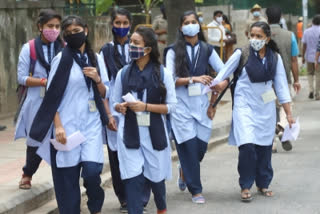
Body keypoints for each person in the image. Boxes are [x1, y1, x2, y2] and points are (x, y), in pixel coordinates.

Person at [29, 15, 109, 214]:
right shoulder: (60, 60)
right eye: (69, 33)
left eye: (77, 31)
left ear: (86, 30)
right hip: (68, 126)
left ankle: (95, 206)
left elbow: (105, 92)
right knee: (67, 180)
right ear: (64, 36)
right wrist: (58, 125)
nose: (74, 35)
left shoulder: (97, 59)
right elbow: (52, 95)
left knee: (92, 172)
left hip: (91, 125)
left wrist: (97, 79)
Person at [212, 21, 294, 202]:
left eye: (259, 36)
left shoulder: (275, 58)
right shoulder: (242, 53)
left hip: (266, 108)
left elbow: (281, 87)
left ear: (267, 38)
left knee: (264, 147)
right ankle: (246, 185)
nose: (254, 39)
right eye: (252, 35)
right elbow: (223, 74)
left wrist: (288, 114)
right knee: (247, 145)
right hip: (244, 106)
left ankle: (263, 183)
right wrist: (213, 87)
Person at [111, 26, 177, 214]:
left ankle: (161, 206)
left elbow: (171, 106)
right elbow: (115, 102)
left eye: (136, 43)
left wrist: (145, 107)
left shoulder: (163, 73)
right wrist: (119, 107)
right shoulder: (123, 73)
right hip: (129, 133)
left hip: (154, 132)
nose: (131, 46)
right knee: (132, 178)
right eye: (131, 42)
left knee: (156, 177)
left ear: (148, 49)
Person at [165, 11, 225, 204]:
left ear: (199, 25)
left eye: (193, 22)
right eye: (186, 22)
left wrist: (215, 97)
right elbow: (169, 80)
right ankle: (196, 190)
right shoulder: (173, 51)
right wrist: (193, 79)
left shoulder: (207, 49)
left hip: (202, 106)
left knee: (199, 149)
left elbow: (223, 74)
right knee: (189, 148)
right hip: (181, 108)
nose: (190, 25)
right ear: (181, 28)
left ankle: (184, 169)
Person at [100, 7, 150, 213]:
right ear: (112, 25)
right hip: (115, 105)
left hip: (138, 104)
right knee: (116, 154)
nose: (121, 27)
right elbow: (103, 84)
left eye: (125, 23)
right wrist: (109, 114)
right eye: (117, 23)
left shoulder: (137, 46)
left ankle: (142, 197)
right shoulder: (105, 51)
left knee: (143, 149)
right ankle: (124, 198)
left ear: (130, 25)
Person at [14, 9, 64, 190]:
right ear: (40, 27)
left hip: (59, 102)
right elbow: (21, 78)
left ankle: (62, 179)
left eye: (57, 26)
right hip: (36, 100)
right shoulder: (29, 48)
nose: (54, 30)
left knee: (59, 138)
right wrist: (44, 82)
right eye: (50, 26)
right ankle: (27, 173)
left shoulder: (64, 47)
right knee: (36, 138)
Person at [265, 7, 301, 152]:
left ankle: (272, 143)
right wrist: (296, 79)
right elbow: (294, 60)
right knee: (286, 108)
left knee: (270, 110)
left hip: (266, 83)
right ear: (280, 18)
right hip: (284, 80)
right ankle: (281, 128)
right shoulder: (290, 35)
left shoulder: (262, 34)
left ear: (267, 18)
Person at [302, 15, 320, 100]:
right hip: (319, 58)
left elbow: (304, 45)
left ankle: (311, 90)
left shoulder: (306, 31)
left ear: (312, 21)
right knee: (318, 75)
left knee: (310, 74)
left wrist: (303, 56)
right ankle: (317, 93)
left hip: (309, 56)